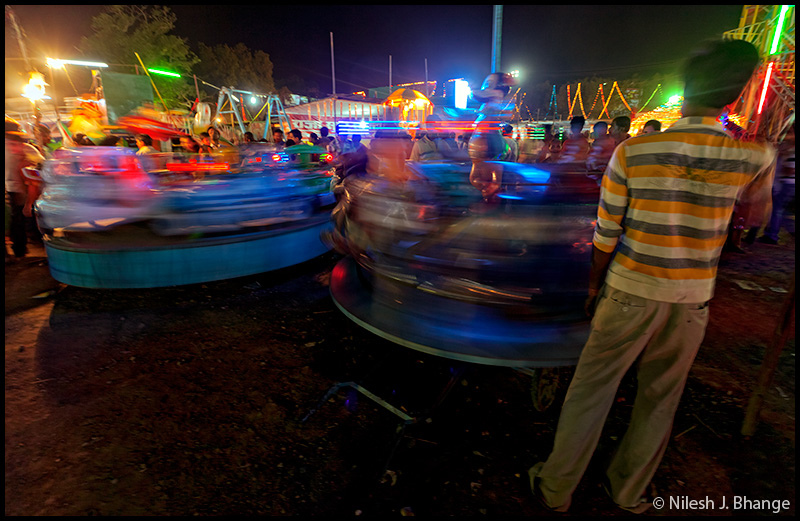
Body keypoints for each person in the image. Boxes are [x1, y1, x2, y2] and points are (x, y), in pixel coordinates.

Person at [528, 39, 775, 514]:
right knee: (661, 399)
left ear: (683, 88)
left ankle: (556, 488)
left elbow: (605, 234)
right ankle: (628, 491)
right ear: (736, 94)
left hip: (628, 289)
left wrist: (594, 285)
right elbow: (756, 217)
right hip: (692, 299)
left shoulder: (634, 151)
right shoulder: (752, 158)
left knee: (591, 390)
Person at [5, 117, 45, 261]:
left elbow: (39, 169)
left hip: (21, 189)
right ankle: (21, 249)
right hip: (18, 189)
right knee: (21, 218)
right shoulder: (25, 147)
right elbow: (42, 166)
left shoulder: (24, 148)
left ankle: (21, 249)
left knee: (20, 218)